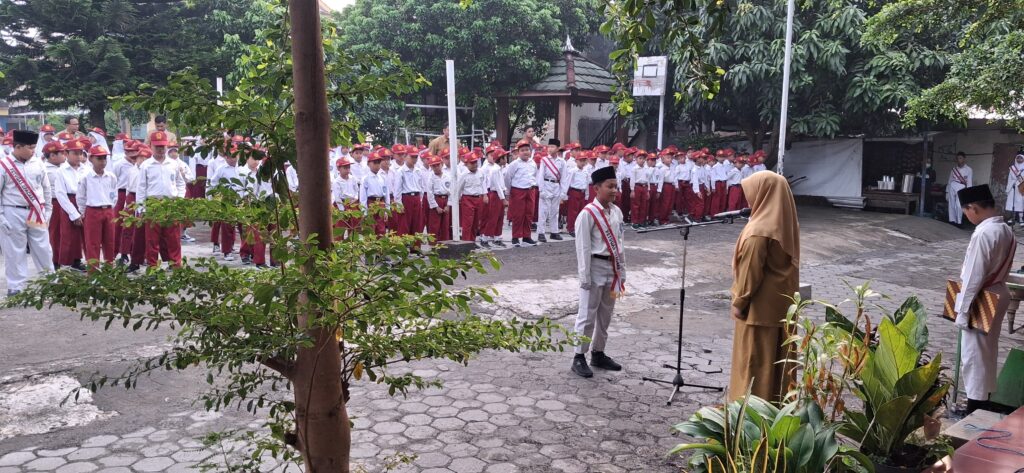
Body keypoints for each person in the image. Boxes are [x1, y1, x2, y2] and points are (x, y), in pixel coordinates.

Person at [728, 171, 800, 403]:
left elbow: (750, 273)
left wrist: (739, 301)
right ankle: (777, 408)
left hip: (758, 310)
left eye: (751, 193)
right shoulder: (785, 224)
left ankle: (750, 412)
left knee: (755, 363)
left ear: (764, 193)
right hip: (782, 305)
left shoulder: (759, 230)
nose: (749, 200)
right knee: (778, 362)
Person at [954, 184, 1017, 414]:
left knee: (973, 354)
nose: (967, 217)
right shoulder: (1006, 230)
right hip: (998, 292)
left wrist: (962, 311)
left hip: (981, 297)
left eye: (966, 212)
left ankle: (974, 406)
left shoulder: (983, 233)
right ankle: (984, 398)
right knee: (988, 351)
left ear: (973, 208)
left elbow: (974, 276)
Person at [571, 165, 626, 378]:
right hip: (594, 267)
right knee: (587, 314)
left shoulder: (617, 212)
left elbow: (620, 243)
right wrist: (584, 276)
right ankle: (579, 356)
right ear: (596, 188)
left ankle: (598, 353)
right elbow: (583, 248)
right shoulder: (587, 214)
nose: (614, 191)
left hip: (612, 268)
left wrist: (622, 271)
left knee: (606, 314)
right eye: (609, 186)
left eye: (615, 186)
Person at [0, 130, 54, 295]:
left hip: (36, 210)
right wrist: (1, 217)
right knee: (14, 251)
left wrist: (48, 211)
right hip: (12, 211)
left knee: (43, 248)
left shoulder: (38, 163)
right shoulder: (4, 165)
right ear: (18, 147)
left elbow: (46, 189)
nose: (33, 151)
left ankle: (50, 282)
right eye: (30, 148)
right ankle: (16, 286)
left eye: (34, 147)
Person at [137, 131, 186, 268]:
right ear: (151, 146)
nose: (160, 149)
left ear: (166, 146)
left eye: (162, 146)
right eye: (157, 146)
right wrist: (141, 208)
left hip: (171, 204)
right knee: (152, 239)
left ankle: (176, 265)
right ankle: (152, 266)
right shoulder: (146, 165)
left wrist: (179, 199)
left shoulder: (173, 164)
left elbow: (180, 183)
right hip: (153, 205)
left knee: (173, 238)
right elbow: (141, 188)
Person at [78, 145, 118, 270]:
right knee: (92, 242)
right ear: (91, 159)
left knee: (110, 241)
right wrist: (82, 213)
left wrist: (110, 207)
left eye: (104, 158)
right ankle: (93, 271)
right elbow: (81, 196)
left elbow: (114, 194)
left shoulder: (111, 176)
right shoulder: (86, 177)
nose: (103, 161)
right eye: (99, 158)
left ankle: (109, 269)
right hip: (92, 210)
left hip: (108, 210)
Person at [55, 139, 88, 271]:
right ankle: (66, 262)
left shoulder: (86, 169)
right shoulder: (61, 171)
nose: (78, 156)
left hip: (85, 201)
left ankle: (80, 260)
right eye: (75, 153)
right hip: (69, 201)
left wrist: (83, 210)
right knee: (69, 234)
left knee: (85, 234)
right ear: (66, 153)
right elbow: (60, 194)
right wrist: (73, 213)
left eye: (80, 153)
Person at [505, 139, 539, 247]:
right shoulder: (514, 164)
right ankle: (515, 237)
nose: (525, 152)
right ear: (518, 152)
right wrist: (509, 191)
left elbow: (534, 175)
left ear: (530, 151)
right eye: (522, 150)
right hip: (518, 191)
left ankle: (526, 237)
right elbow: (508, 178)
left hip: (530, 190)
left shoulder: (533, 163)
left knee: (529, 214)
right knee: (518, 215)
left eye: (527, 150)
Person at [42, 142, 66, 267]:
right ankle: (55, 260)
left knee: (65, 232)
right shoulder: (47, 170)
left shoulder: (62, 167)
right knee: (55, 232)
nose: (64, 155)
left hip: (64, 201)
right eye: (62, 153)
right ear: (52, 156)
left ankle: (67, 258)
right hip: (54, 202)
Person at [536, 139, 566, 242]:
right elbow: (540, 175)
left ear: (557, 149)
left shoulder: (562, 161)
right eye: (549, 147)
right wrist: (541, 189)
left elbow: (564, 177)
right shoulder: (544, 160)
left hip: (556, 186)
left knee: (555, 211)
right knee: (543, 210)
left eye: (552, 147)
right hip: (546, 184)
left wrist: (563, 192)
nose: (550, 149)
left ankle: (554, 232)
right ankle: (541, 232)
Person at [456, 151, 487, 245]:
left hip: (478, 198)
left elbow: (483, 183)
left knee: (476, 222)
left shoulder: (481, 172)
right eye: (472, 163)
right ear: (466, 164)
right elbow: (459, 189)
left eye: (475, 162)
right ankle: (466, 243)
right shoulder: (464, 175)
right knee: (468, 223)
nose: (474, 165)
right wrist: (457, 200)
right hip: (467, 199)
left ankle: (472, 242)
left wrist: (485, 194)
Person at [359, 151, 390, 236]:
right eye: (374, 163)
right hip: (371, 203)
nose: (377, 165)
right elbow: (363, 197)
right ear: (368, 164)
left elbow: (386, 194)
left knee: (381, 228)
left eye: (378, 163)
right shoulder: (365, 179)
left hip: (381, 203)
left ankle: (380, 243)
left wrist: (387, 209)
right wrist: (364, 212)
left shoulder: (383, 177)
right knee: (370, 228)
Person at [947, 152, 973, 225]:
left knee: (959, 205)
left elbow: (969, 182)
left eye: (960, 158)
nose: (959, 160)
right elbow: (950, 180)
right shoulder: (954, 169)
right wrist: (947, 191)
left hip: (962, 187)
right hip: (952, 186)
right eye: (957, 158)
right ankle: (952, 220)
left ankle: (959, 222)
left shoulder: (969, 169)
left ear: (964, 159)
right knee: (951, 204)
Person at [1005, 154, 1024, 224]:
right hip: (1012, 187)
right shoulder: (1012, 168)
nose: (1019, 159)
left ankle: (1021, 219)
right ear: (1016, 159)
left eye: (1021, 158)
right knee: (1012, 203)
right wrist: (1008, 187)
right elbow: (1009, 178)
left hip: (1021, 187)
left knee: (1020, 203)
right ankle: (1012, 218)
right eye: (1018, 158)